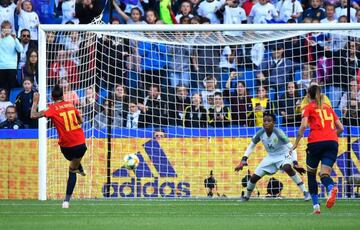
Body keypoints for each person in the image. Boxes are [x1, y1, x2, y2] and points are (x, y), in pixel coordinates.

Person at [30, 85, 87, 209]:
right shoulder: (70, 105)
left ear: (52, 96)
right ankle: (66, 200)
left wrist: (35, 102)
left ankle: (66, 199)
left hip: (66, 146)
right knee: (74, 166)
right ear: (63, 95)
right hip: (81, 143)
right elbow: (81, 120)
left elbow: (33, 115)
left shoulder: (52, 109)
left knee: (72, 168)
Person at [290, 84, 344, 214]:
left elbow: (303, 127)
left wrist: (296, 143)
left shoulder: (308, 107)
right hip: (332, 143)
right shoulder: (329, 108)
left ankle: (316, 207)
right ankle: (331, 188)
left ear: (308, 95)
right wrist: (329, 136)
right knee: (324, 174)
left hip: (315, 143)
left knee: (311, 175)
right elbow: (341, 128)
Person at [235, 111, 311, 201]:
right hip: (271, 157)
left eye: (269, 121)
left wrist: (295, 162)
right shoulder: (260, 133)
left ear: (274, 123)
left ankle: (306, 192)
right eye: (264, 121)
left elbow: (291, 148)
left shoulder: (279, 133)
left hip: (284, 155)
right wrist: (244, 160)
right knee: (254, 178)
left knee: (287, 167)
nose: (266, 123)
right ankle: (247, 196)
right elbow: (251, 146)